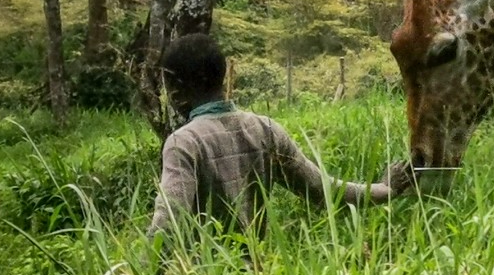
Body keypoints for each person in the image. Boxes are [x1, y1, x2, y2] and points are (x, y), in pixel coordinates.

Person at [146, 33, 411, 247]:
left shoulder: (183, 143)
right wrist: (384, 189)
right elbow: (324, 190)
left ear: (176, 91)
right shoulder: (265, 129)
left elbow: (169, 220)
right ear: (222, 76)